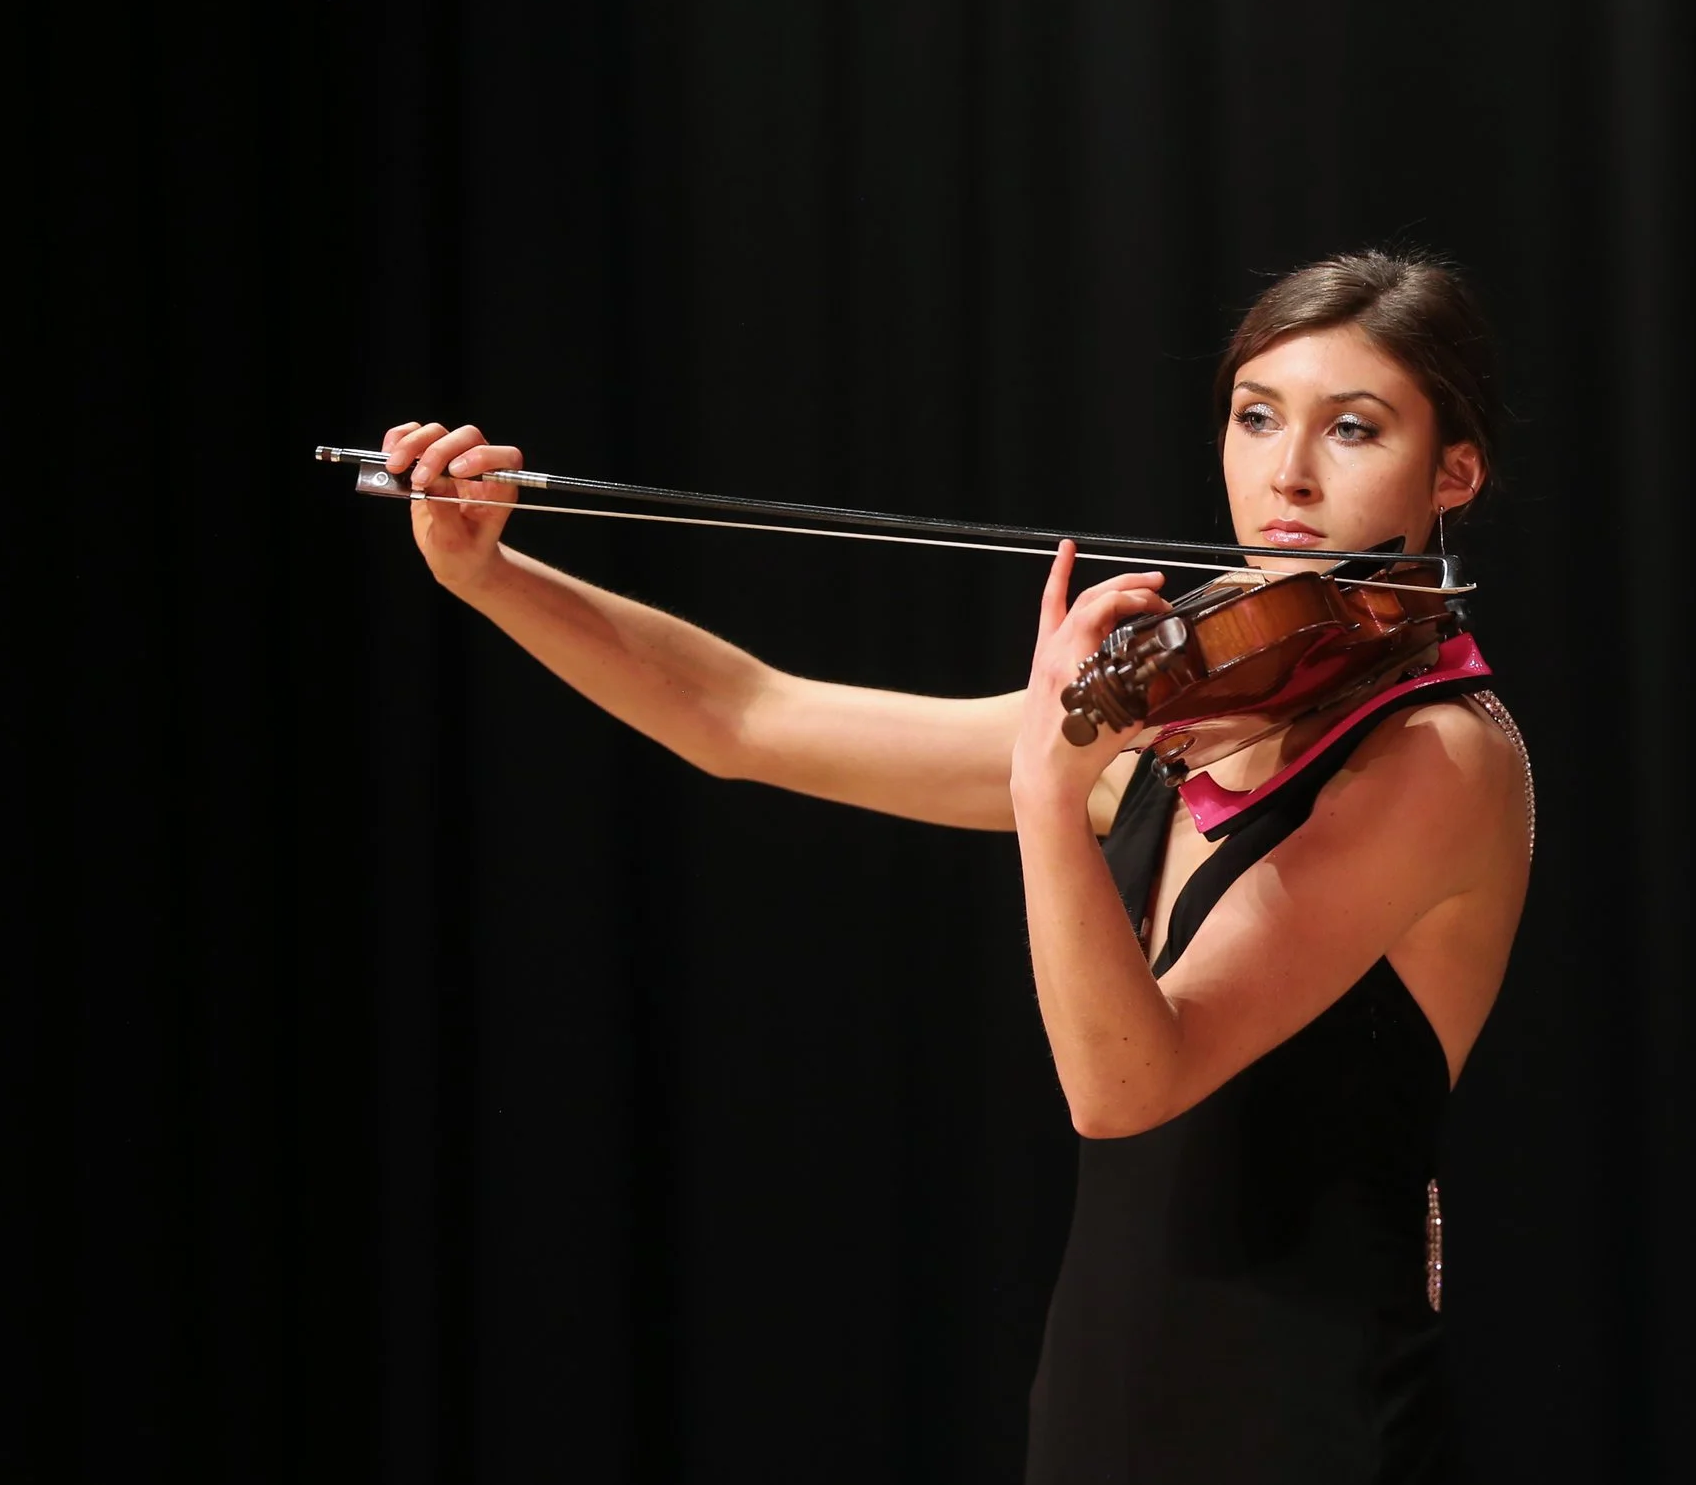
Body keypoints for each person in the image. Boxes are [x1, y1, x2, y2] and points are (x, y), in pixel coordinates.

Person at [381, 249, 1533, 1481]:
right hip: (1104, 1415)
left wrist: (1049, 777)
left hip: (1318, 1436)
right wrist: (489, 573)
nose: (1286, 471)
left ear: (1450, 472)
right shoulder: (1190, 717)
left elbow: (1127, 1083)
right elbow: (744, 720)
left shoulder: (1440, 758)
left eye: (1352, 429)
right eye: (1256, 417)